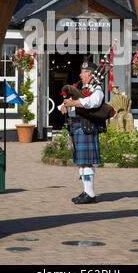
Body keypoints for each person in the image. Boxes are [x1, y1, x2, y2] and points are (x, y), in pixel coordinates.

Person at [58, 61, 104, 204]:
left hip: (86, 128)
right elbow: (67, 102)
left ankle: (90, 194)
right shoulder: (80, 89)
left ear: (89, 73)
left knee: (86, 162)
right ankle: (86, 191)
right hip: (75, 127)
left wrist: (74, 103)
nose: (80, 74)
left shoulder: (96, 89)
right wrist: (63, 106)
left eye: (83, 72)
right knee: (81, 163)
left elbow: (92, 102)